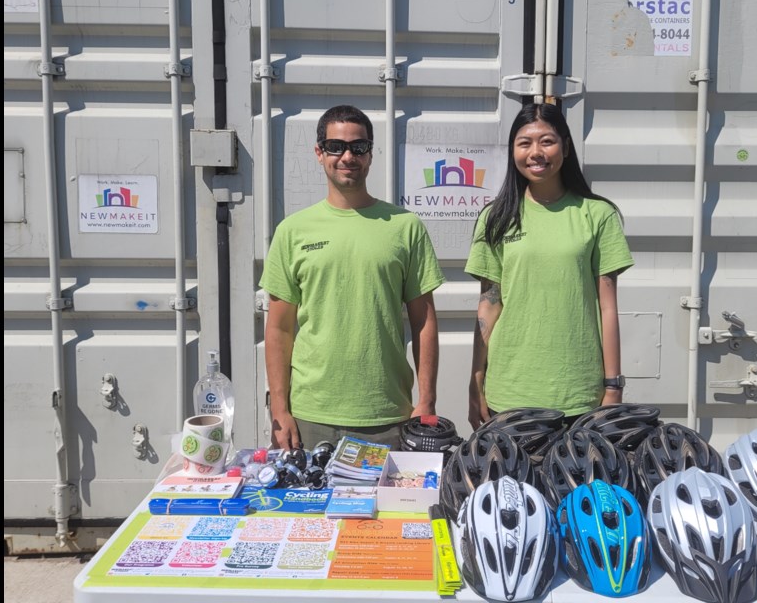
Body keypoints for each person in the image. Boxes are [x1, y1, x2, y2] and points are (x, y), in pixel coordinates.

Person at [261, 105, 445, 450]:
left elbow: (424, 322)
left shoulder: (405, 227)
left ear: (370, 155)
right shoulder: (292, 231)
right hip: (310, 416)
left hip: (388, 415)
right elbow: (279, 328)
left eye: (358, 148)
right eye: (335, 147)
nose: (347, 156)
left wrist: (427, 401)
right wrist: (280, 409)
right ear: (319, 153)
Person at [465, 102, 633, 430]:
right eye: (524, 143)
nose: (536, 152)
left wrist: (613, 386)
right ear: (513, 150)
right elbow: (489, 304)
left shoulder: (597, 215)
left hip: (579, 393)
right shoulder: (496, 218)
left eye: (547, 141)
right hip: (509, 391)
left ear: (566, 148)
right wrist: (476, 382)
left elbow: (608, 307)